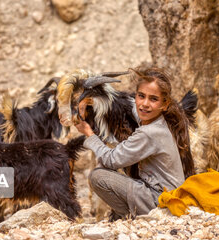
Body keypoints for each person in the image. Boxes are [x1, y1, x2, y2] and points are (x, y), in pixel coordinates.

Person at [75, 67, 194, 219]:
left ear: (165, 104)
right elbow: (132, 107)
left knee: (98, 177)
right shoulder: (159, 122)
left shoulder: (148, 133)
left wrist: (89, 134)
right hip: (165, 193)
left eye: (153, 99)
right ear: (135, 96)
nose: (144, 104)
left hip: (162, 200)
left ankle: (127, 215)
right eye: (141, 96)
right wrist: (88, 99)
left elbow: (111, 160)